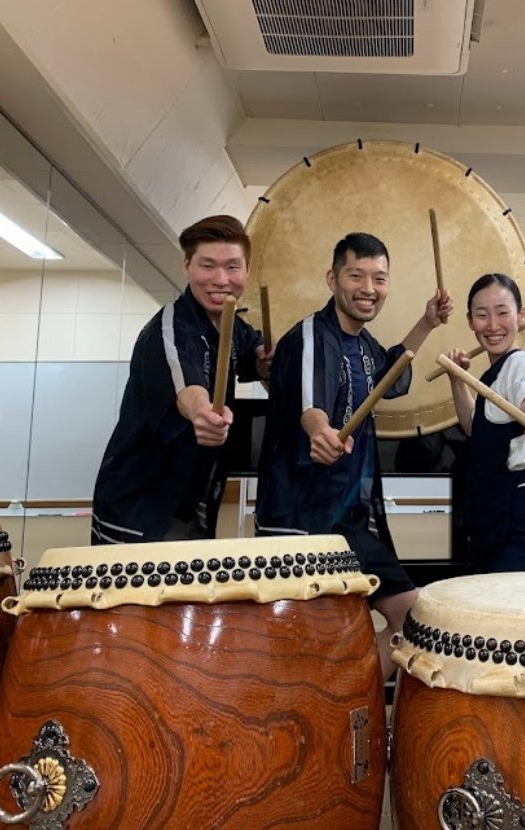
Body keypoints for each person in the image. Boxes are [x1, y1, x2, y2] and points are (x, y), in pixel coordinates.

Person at [256, 232, 452, 668]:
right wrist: (321, 432)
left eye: (379, 278)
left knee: (413, 619)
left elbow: (393, 376)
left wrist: (427, 323)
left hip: (349, 520)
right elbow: (312, 406)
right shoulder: (311, 336)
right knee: (306, 642)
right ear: (332, 279)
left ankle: (342, 693)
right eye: (357, 275)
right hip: (301, 519)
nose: (369, 288)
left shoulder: (364, 347)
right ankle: (326, 705)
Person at [91, 215, 270, 544]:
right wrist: (202, 413)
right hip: (139, 506)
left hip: (191, 502)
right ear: (187, 265)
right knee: (138, 597)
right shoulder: (171, 327)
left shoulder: (232, 326)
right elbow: (188, 387)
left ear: (247, 269)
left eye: (232, 267)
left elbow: (250, 351)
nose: (220, 279)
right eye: (207, 266)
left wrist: (262, 361)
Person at [445, 273, 525, 573]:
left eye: (503, 312)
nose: (493, 325)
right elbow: (477, 428)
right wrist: (458, 380)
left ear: (521, 315)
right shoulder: (495, 376)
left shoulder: (520, 363)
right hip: (495, 518)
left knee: (515, 617)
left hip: (523, 520)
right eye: (482, 315)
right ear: (471, 321)